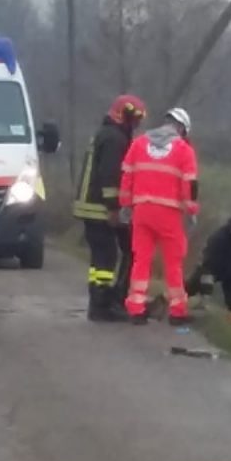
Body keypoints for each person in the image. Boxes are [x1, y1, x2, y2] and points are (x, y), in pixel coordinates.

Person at [119, 107, 199, 326]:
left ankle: (135, 308)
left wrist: (126, 205)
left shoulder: (139, 143)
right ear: (182, 128)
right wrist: (191, 211)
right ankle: (177, 311)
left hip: (142, 211)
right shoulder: (184, 150)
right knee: (173, 262)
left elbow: (127, 176)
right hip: (168, 214)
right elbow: (189, 185)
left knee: (141, 259)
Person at [72, 94, 147, 322]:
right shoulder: (115, 139)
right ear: (124, 115)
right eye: (135, 119)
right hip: (100, 208)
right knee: (108, 257)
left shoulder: (105, 134)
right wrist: (115, 209)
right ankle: (104, 306)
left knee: (100, 260)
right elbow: (110, 176)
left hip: (91, 206)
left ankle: (100, 304)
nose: (137, 124)